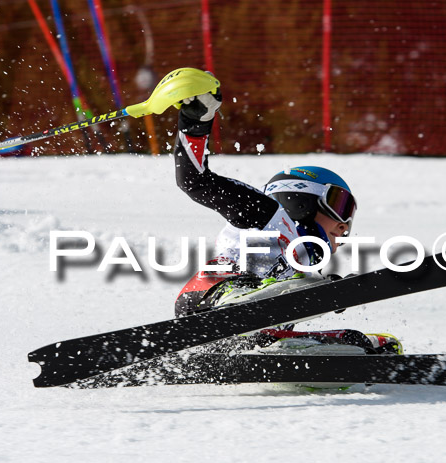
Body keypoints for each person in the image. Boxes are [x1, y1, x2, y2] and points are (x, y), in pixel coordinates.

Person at [171, 86, 400, 355]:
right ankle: (236, 303)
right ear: (300, 197)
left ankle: (287, 351)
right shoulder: (266, 214)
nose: (345, 226)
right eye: (340, 205)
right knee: (286, 286)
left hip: (245, 340)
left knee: (368, 343)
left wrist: (334, 290)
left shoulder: (302, 266)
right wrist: (195, 121)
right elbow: (194, 182)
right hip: (204, 303)